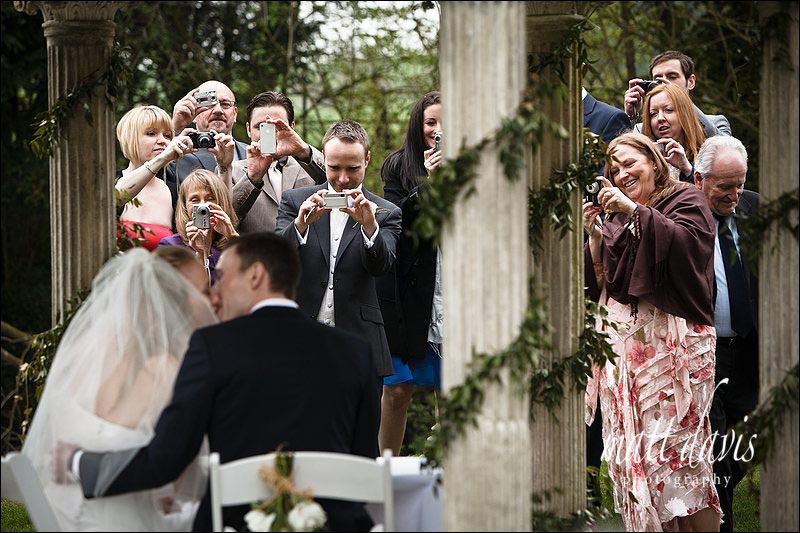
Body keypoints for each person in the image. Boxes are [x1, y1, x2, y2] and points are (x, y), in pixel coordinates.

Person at [56, 233, 379, 532]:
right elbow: (363, 463)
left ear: (255, 275)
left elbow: (165, 460)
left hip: (236, 524)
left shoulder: (213, 346)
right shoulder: (355, 352)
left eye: (221, 276)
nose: (215, 292)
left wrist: (78, 462)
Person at [22, 248, 217, 531]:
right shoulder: (172, 371)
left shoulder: (86, 351)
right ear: (177, 300)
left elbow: (53, 444)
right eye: (204, 291)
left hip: (58, 516)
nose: (213, 300)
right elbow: (176, 471)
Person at [583, 132, 721, 531]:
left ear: (654, 162)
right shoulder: (613, 218)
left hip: (674, 353)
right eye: (615, 170)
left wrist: (634, 212)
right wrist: (595, 238)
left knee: (681, 465)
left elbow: (689, 252)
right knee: (638, 462)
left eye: (630, 164)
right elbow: (607, 284)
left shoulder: (686, 199)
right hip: (625, 359)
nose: (622, 174)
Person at [275, 119, 402, 384]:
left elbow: (382, 266)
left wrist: (370, 227)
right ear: (324, 160)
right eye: (334, 168)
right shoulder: (295, 201)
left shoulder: (386, 211)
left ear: (367, 159)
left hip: (361, 342)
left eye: (352, 168)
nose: (343, 179)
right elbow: (275, 263)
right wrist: (300, 226)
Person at [693, 135, 759, 532]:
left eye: (740, 184)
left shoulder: (755, 206)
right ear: (699, 179)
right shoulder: (683, 215)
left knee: (743, 448)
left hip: (751, 351)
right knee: (715, 450)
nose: (734, 195)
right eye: (724, 187)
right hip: (706, 352)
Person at [376, 91, 443, 456]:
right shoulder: (398, 165)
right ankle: (386, 466)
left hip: (454, 280)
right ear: (419, 125)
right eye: (430, 122)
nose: (437, 130)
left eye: (445, 122)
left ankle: (452, 469)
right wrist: (429, 184)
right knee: (398, 388)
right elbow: (397, 221)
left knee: (454, 386)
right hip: (410, 290)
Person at [222, 91, 327, 233]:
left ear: (292, 127)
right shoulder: (232, 171)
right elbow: (224, 220)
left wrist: (303, 151)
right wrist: (252, 178)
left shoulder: (308, 165)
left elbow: (339, 181)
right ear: (248, 129)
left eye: (277, 126)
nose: (269, 134)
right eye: (261, 127)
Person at [115, 105, 198, 250]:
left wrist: (225, 167)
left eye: (167, 136)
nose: (163, 141)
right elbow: (116, 198)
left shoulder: (175, 190)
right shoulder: (110, 182)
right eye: (151, 133)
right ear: (130, 138)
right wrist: (163, 158)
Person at [157, 169, 239, 285]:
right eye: (194, 200)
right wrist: (201, 254)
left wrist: (231, 235)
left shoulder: (232, 244)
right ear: (185, 206)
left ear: (221, 202)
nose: (203, 205)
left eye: (210, 199)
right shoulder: (170, 246)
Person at [624, 50, 732, 137]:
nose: (664, 83)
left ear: (690, 82)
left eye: (672, 77)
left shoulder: (716, 123)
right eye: (658, 80)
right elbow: (623, 152)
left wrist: (682, 101)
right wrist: (630, 116)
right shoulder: (641, 129)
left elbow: (726, 150)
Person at [167, 80, 249, 186]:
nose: (218, 110)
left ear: (235, 114)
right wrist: (175, 128)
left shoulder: (252, 155)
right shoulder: (178, 155)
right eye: (209, 104)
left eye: (225, 104)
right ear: (194, 113)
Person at [641, 83, 707, 183]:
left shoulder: (707, 155)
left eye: (668, 110)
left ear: (685, 113)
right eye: (653, 114)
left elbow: (710, 191)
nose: (660, 118)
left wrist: (687, 169)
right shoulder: (642, 160)